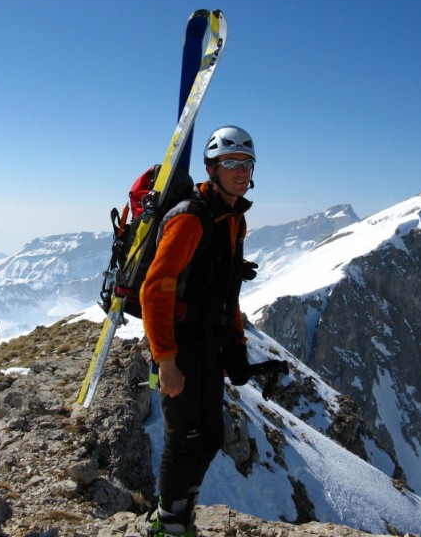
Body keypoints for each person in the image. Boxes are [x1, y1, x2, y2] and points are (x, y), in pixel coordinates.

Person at [142, 126, 257, 537]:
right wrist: (165, 359)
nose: (240, 171)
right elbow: (154, 289)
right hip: (180, 344)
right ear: (212, 168)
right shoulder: (192, 218)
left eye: (245, 163)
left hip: (210, 344)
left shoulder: (233, 218)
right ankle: (168, 523)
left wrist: (237, 346)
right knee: (183, 437)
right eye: (230, 163)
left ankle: (181, 512)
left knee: (210, 437)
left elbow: (229, 292)